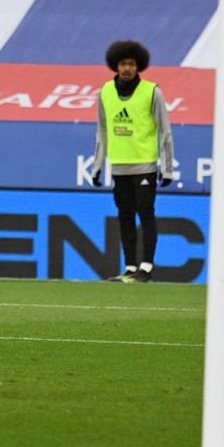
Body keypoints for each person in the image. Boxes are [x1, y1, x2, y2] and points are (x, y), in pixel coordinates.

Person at [92, 39, 178, 284]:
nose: (127, 68)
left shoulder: (152, 92)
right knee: (125, 215)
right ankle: (130, 267)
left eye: (131, 64)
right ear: (115, 66)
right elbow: (102, 131)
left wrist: (167, 167)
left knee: (145, 213)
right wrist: (98, 166)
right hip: (119, 166)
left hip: (144, 165)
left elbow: (165, 131)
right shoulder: (105, 92)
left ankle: (146, 267)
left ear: (139, 66)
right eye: (122, 64)